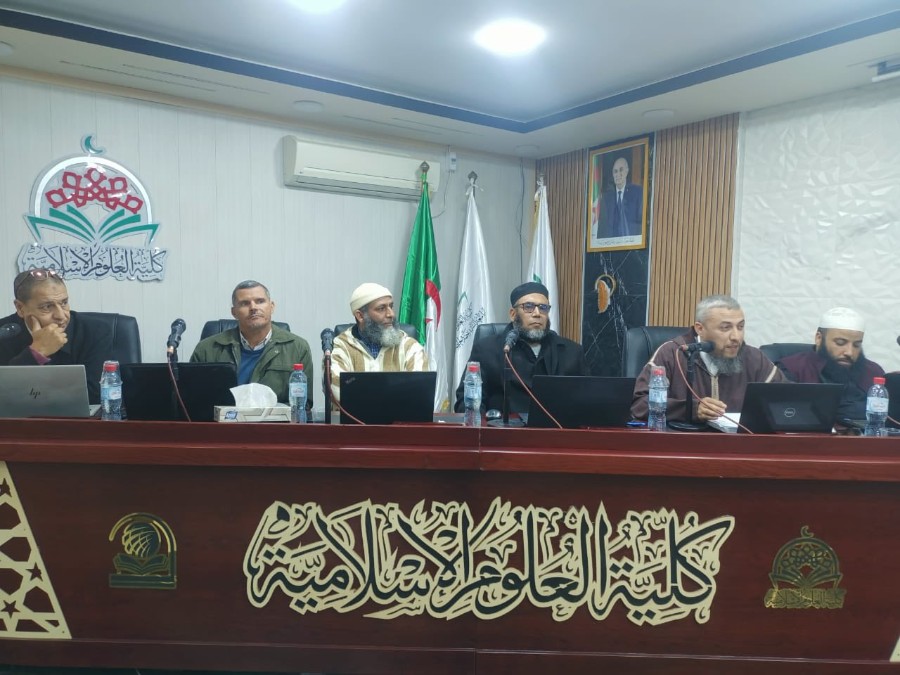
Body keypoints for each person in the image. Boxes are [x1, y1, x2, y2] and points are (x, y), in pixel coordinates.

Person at [631, 294, 783, 423]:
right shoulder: (672, 353)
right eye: (725, 328)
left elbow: (788, 403)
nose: (736, 337)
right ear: (700, 329)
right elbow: (639, 405)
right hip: (684, 445)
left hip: (739, 445)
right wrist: (691, 409)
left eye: (740, 327)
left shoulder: (753, 358)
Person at [454, 282, 588, 414]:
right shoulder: (487, 349)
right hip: (501, 427)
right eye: (528, 307)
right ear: (513, 314)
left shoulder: (572, 352)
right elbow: (466, 401)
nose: (537, 313)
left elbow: (586, 400)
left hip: (556, 427)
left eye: (543, 308)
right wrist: (482, 425)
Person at [0, 268, 113, 404]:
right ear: (20, 308)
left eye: (64, 303)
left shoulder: (95, 331)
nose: (61, 316)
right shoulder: (4, 333)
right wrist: (36, 353)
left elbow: (96, 395)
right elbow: (4, 393)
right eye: (47, 307)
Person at [190, 280, 312, 405]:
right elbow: (192, 400)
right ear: (234, 312)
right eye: (244, 303)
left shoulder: (298, 348)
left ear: (272, 307)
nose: (253, 308)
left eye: (260, 301)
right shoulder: (206, 349)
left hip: (275, 418)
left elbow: (304, 404)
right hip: (223, 417)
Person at [776, 307, 885, 421]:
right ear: (819, 338)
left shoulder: (873, 371)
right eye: (840, 343)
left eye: (856, 345)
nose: (849, 352)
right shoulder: (792, 368)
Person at [330, 282, 426, 403]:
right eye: (381, 308)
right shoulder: (340, 347)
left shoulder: (410, 347)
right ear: (360, 316)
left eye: (391, 306)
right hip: (353, 417)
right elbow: (339, 391)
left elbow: (419, 391)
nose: (391, 314)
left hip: (401, 416)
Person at [596, 155, 643, 239]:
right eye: (615, 171)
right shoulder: (606, 199)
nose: (618, 174)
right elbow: (602, 228)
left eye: (621, 170)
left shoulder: (637, 193)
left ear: (627, 171)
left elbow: (641, 222)